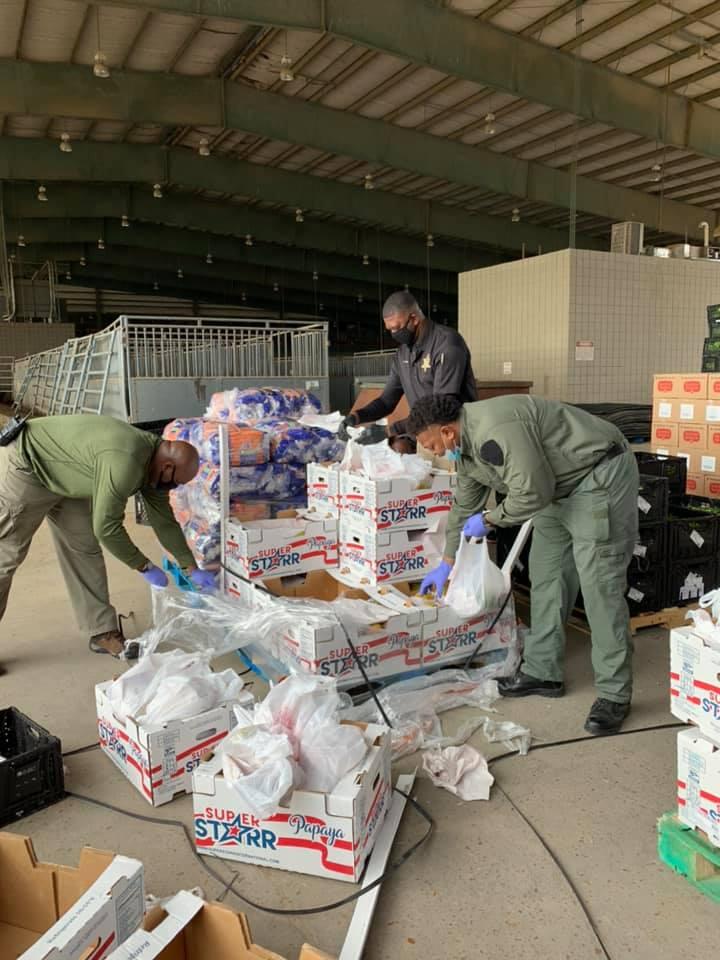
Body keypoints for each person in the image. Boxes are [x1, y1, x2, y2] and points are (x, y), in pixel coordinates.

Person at [410, 394, 639, 736]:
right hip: (556, 488)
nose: (435, 453)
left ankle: (614, 693)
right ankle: (543, 671)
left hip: (597, 477)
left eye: (432, 445)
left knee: (599, 586)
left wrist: (490, 520)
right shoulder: (468, 449)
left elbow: (531, 494)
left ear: (446, 432)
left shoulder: (495, 432)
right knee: (546, 577)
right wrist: (446, 561)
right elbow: (463, 508)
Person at [0, 414, 214, 673]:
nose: (173, 487)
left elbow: (164, 521)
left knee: (83, 547)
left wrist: (190, 567)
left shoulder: (155, 464)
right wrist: (143, 566)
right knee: (5, 559)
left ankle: (101, 630)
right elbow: (108, 528)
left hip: (69, 474)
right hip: (27, 465)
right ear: (168, 467)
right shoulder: (126, 462)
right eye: (177, 482)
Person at [339, 290, 477, 447]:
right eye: (389, 329)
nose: (393, 334)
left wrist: (389, 431)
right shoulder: (403, 354)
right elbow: (386, 402)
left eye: (397, 328)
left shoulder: (446, 344)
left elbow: (441, 407)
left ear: (414, 318)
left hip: (455, 437)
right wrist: (355, 417)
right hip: (427, 437)